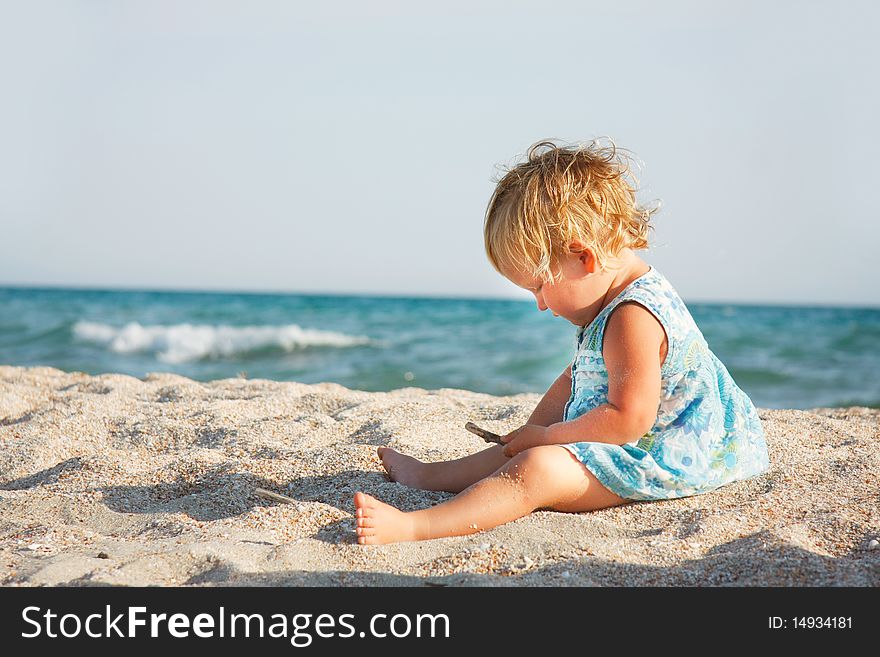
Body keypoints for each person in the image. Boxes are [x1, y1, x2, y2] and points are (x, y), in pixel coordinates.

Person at [353, 139, 770, 545]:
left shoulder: (633, 316)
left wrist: (547, 439)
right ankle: (429, 476)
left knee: (536, 467)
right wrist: (538, 427)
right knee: (523, 448)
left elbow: (629, 420)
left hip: (666, 459)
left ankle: (416, 527)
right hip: (640, 445)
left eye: (539, 286)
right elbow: (582, 375)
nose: (539, 304)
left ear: (583, 256)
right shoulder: (609, 300)